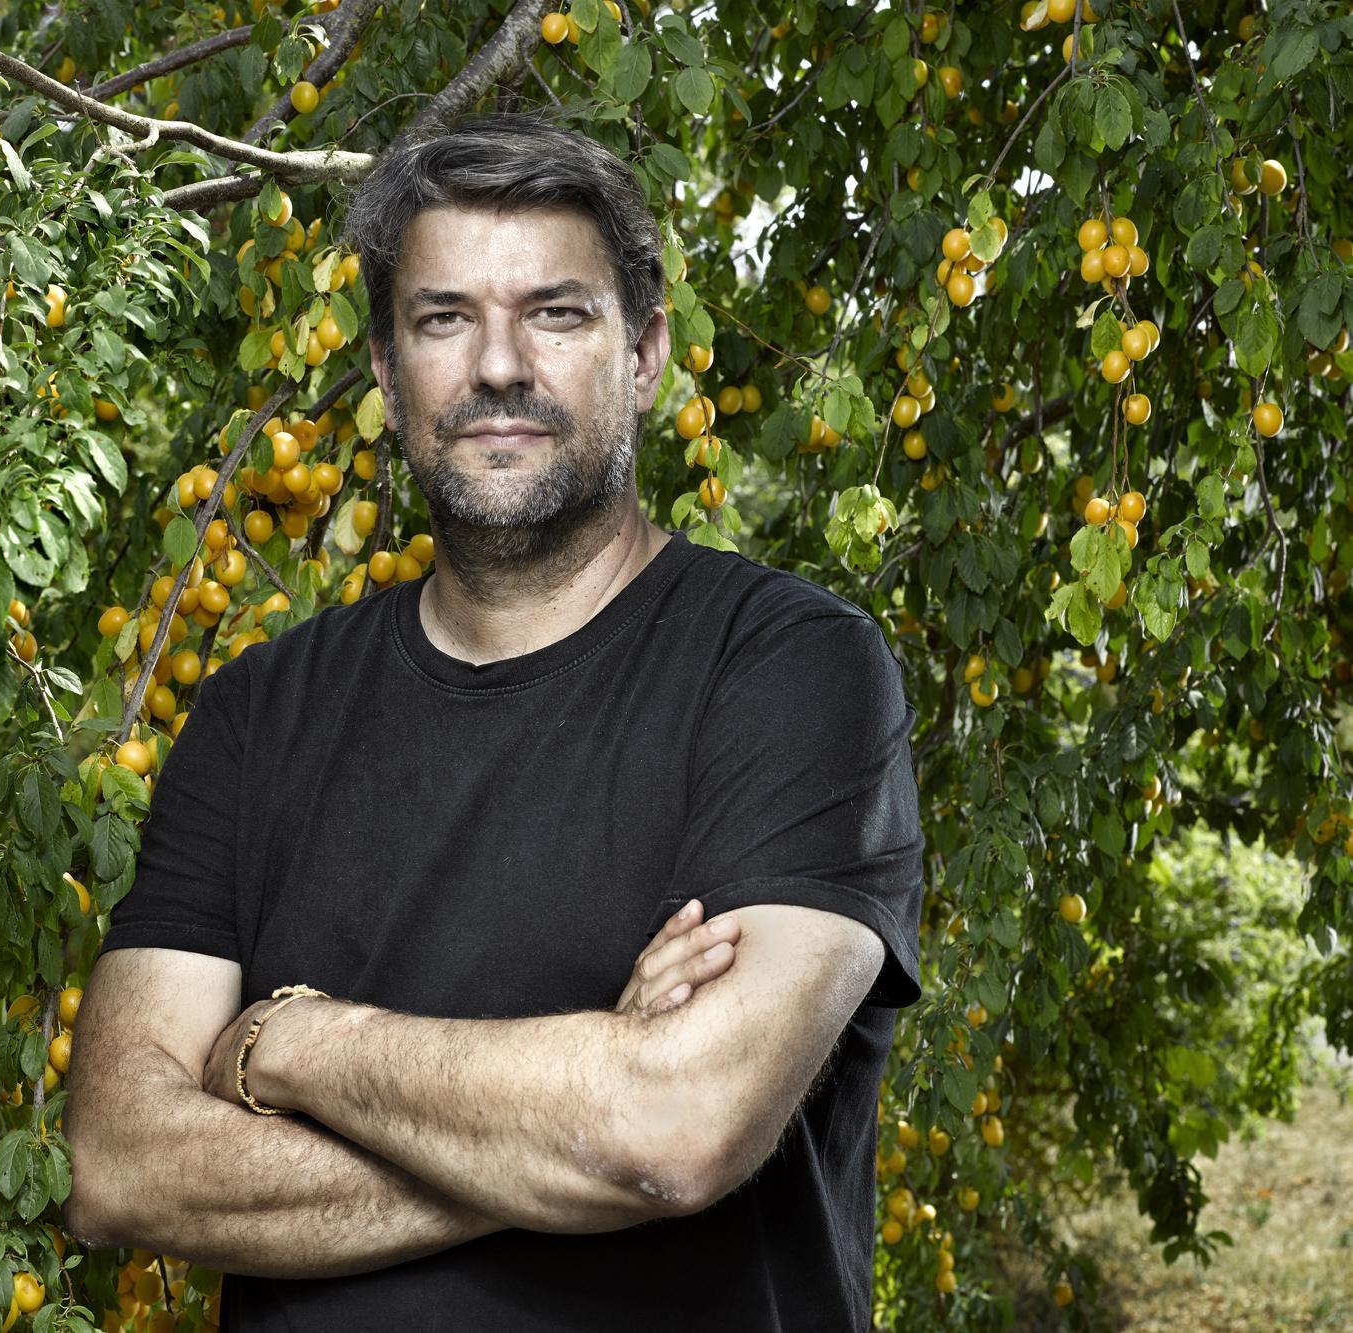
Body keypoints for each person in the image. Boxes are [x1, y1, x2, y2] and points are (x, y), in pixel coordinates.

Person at [63, 113, 925, 1332]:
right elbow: (119, 1164)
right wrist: (581, 1111)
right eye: (443, 317)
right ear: (383, 365)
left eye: (557, 313)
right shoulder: (257, 714)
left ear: (645, 353)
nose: (500, 365)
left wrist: (296, 1046)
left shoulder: (790, 672)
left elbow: (678, 1131)